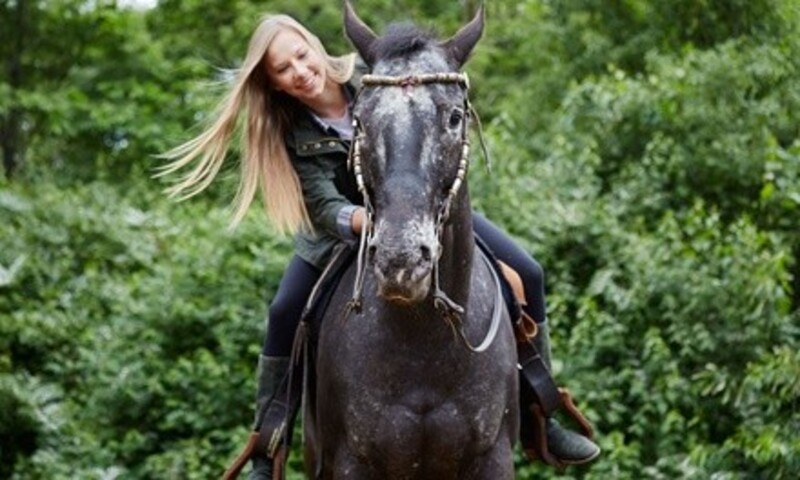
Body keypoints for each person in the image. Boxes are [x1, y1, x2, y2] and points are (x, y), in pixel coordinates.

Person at [160, 13, 599, 479]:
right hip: (340, 231)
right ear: (274, 83)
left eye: (301, 56)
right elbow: (323, 204)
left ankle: (542, 414)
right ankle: (268, 445)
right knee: (285, 311)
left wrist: (409, 208)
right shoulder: (291, 128)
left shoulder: (375, 80)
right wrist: (361, 219)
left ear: (315, 47)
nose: (299, 71)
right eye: (282, 69)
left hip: (415, 209)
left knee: (527, 272)